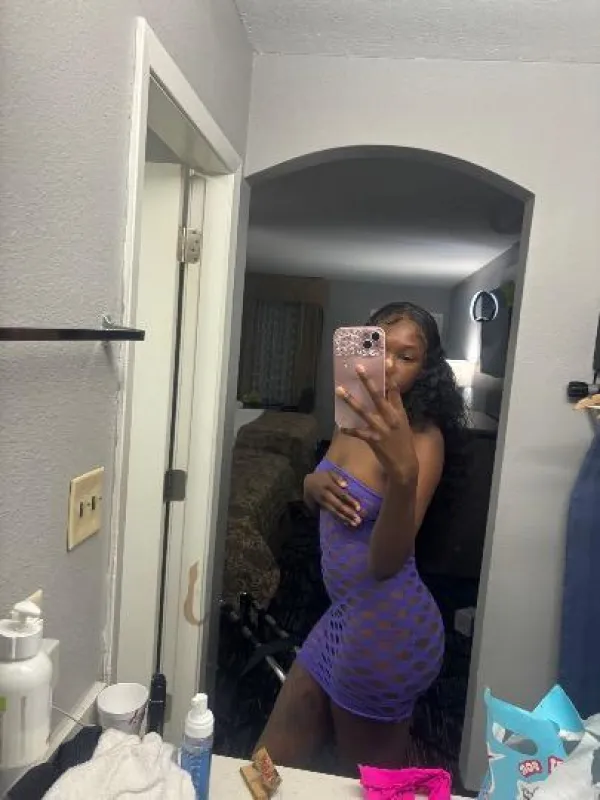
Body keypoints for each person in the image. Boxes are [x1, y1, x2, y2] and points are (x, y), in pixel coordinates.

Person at [256, 302, 467, 773]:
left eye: (407, 357)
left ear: (425, 370)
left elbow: (387, 562)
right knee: (267, 768)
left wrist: (404, 474)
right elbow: (324, 494)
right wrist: (310, 484)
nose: (388, 365)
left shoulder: (423, 440)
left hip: (387, 629)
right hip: (344, 615)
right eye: (380, 348)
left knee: (369, 786)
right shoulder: (350, 417)